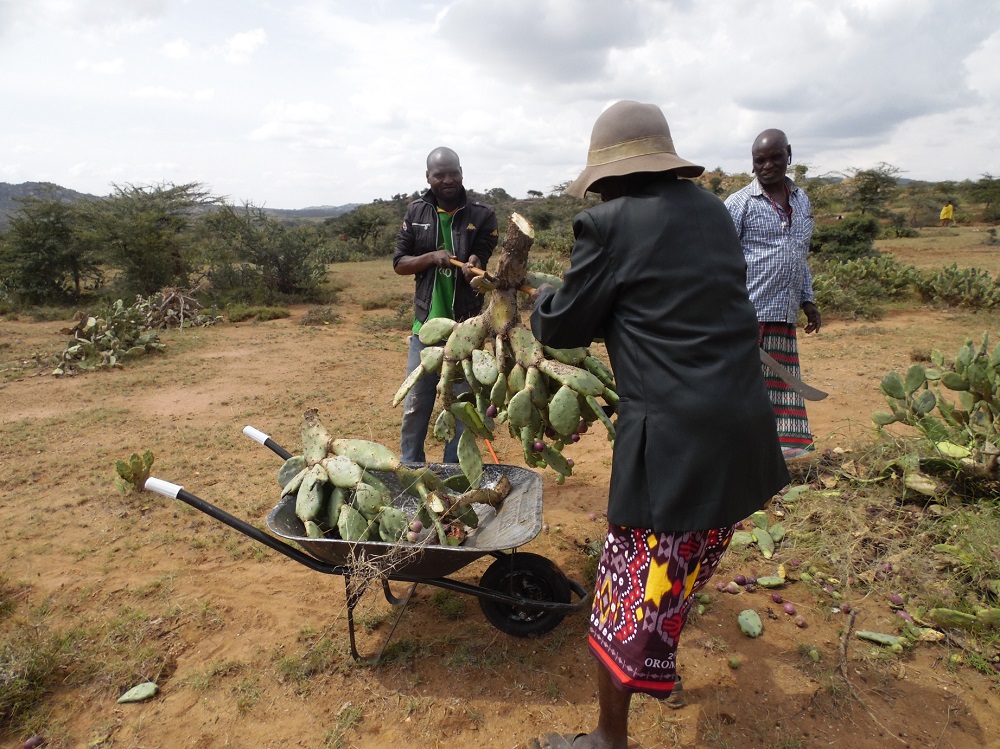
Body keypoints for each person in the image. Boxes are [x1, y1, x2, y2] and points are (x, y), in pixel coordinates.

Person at [528, 101, 790, 749]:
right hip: (742, 432)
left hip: (674, 447)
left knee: (626, 594)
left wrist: (538, 299)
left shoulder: (607, 224)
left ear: (611, 178)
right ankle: (658, 668)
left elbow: (564, 328)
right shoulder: (709, 210)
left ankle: (607, 740)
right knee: (681, 571)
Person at [392, 147, 498, 463]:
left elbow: (483, 256)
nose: (447, 179)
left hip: (467, 329)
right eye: (440, 174)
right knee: (416, 404)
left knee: (463, 405)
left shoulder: (482, 214)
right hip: (425, 327)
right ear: (429, 177)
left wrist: (473, 264)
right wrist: (429, 257)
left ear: (461, 173)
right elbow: (399, 262)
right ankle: (411, 468)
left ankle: (454, 469)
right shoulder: (416, 212)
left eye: (453, 173)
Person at [725, 129, 820, 459]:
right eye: (759, 160)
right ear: (752, 164)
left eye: (775, 157)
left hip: (784, 310)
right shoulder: (739, 204)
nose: (767, 166)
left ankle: (785, 455)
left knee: (782, 386)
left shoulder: (800, 200)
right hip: (748, 311)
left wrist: (808, 300)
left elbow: (799, 253)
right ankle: (743, 454)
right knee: (747, 387)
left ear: (789, 155)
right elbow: (719, 258)